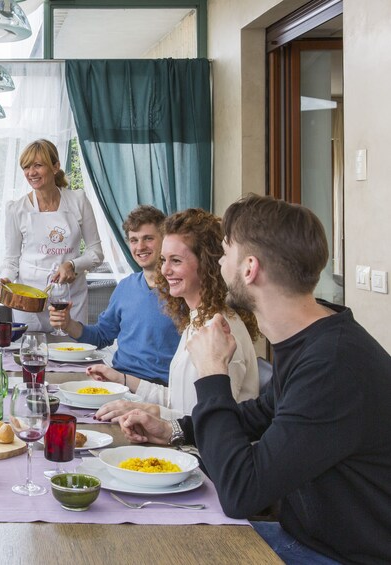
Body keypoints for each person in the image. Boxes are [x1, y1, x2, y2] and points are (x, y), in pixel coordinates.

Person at [119, 195, 391, 564]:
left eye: (225, 250)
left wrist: (213, 373)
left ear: (249, 268)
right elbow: (256, 415)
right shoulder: (316, 341)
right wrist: (175, 431)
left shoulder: (333, 365)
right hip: (303, 537)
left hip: (336, 555)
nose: (219, 261)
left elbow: (241, 493)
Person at [90, 208, 260, 421]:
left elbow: (211, 423)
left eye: (176, 261)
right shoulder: (198, 318)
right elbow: (178, 400)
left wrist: (147, 411)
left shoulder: (221, 329)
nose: (164, 270)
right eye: (164, 260)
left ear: (206, 264)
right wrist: (121, 378)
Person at [49, 205, 179, 384]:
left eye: (148, 238)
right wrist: (68, 324)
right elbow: (101, 336)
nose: (140, 247)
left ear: (164, 240)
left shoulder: (181, 289)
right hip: (118, 383)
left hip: (159, 390)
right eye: (134, 240)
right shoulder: (125, 287)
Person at [0, 139, 103, 332]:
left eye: (38, 165)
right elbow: (11, 259)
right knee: (31, 351)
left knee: (72, 349)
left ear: (55, 167)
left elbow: (96, 252)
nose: (31, 173)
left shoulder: (78, 201)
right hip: (29, 299)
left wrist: (72, 265)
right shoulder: (17, 209)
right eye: (26, 167)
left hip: (70, 296)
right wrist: (6, 279)